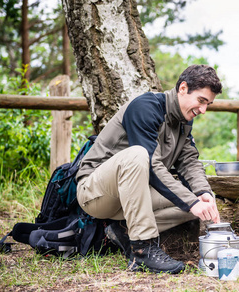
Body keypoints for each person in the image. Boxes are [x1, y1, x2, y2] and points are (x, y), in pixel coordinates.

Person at [76, 65, 222, 274]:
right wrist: (190, 201)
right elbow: (152, 166)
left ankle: (123, 231)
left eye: (208, 104)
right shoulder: (146, 107)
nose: (203, 110)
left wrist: (203, 194)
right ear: (183, 88)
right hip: (95, 193)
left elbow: (189, 160)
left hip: (132, 195)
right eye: (201, 101)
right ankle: (143, 251)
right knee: (138, 155)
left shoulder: (183, 122)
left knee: (200, 209)